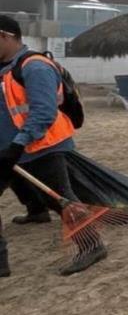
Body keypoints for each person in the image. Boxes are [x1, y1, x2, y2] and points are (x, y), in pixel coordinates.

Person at [0, 15, 106, 277]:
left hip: (43, 146)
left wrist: (18, 144)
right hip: (9, 149)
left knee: (61, 198)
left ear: (5, 36)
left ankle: (92, 245)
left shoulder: (35, 67)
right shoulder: (2, 69)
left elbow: (44, 111)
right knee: (34, 192)